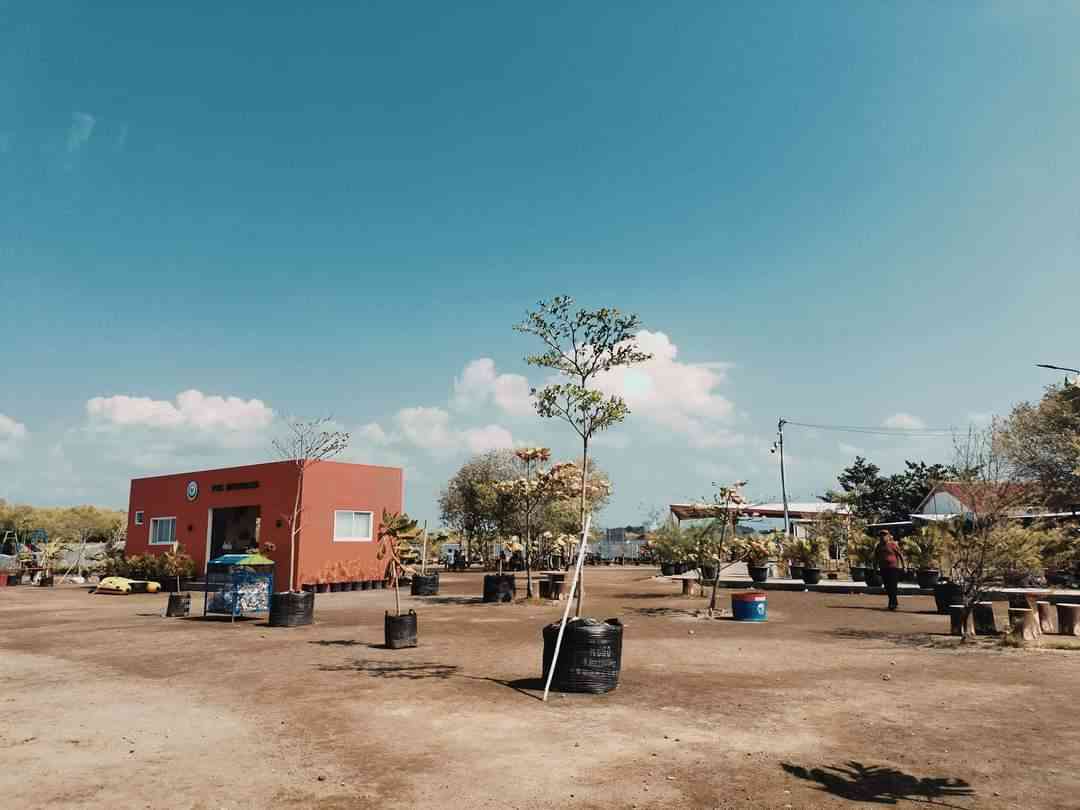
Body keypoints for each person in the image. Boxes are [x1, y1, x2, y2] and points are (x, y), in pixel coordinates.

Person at [874, 530, 905, 611]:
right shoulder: (879, 546)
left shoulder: (893, 544)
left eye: (884, 535)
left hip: (893, 568)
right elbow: (876, 557)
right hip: (883, 568)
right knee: (887, 586)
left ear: (888, 536)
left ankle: (892, 604)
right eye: (881, 535)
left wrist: (904, 566)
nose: (882, 537)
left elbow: (900, 555)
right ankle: (893, 602)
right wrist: (875, 567)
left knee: (893, 586)